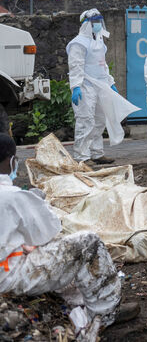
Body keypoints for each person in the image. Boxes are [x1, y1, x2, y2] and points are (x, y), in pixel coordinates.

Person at [0, 134, 139, 330]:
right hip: (8, 277)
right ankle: (105, 314)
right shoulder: (12, 196)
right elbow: (48, 232)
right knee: (88, 243)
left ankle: (75, 299)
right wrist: (38, 203)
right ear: (11, 161)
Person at [67, 9, 138, 165]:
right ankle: (82, 157)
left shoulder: (99, 42)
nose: (98, 25)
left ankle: (97, 153)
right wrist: (76, 86)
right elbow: (76, 66)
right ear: (87, 25)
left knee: (99, 120)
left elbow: (103, 66)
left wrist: (111, 82)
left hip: (101, 85)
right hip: (85, 86)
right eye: (95, 22)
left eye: (99, 22)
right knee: (85, 121)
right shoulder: (78, 43)